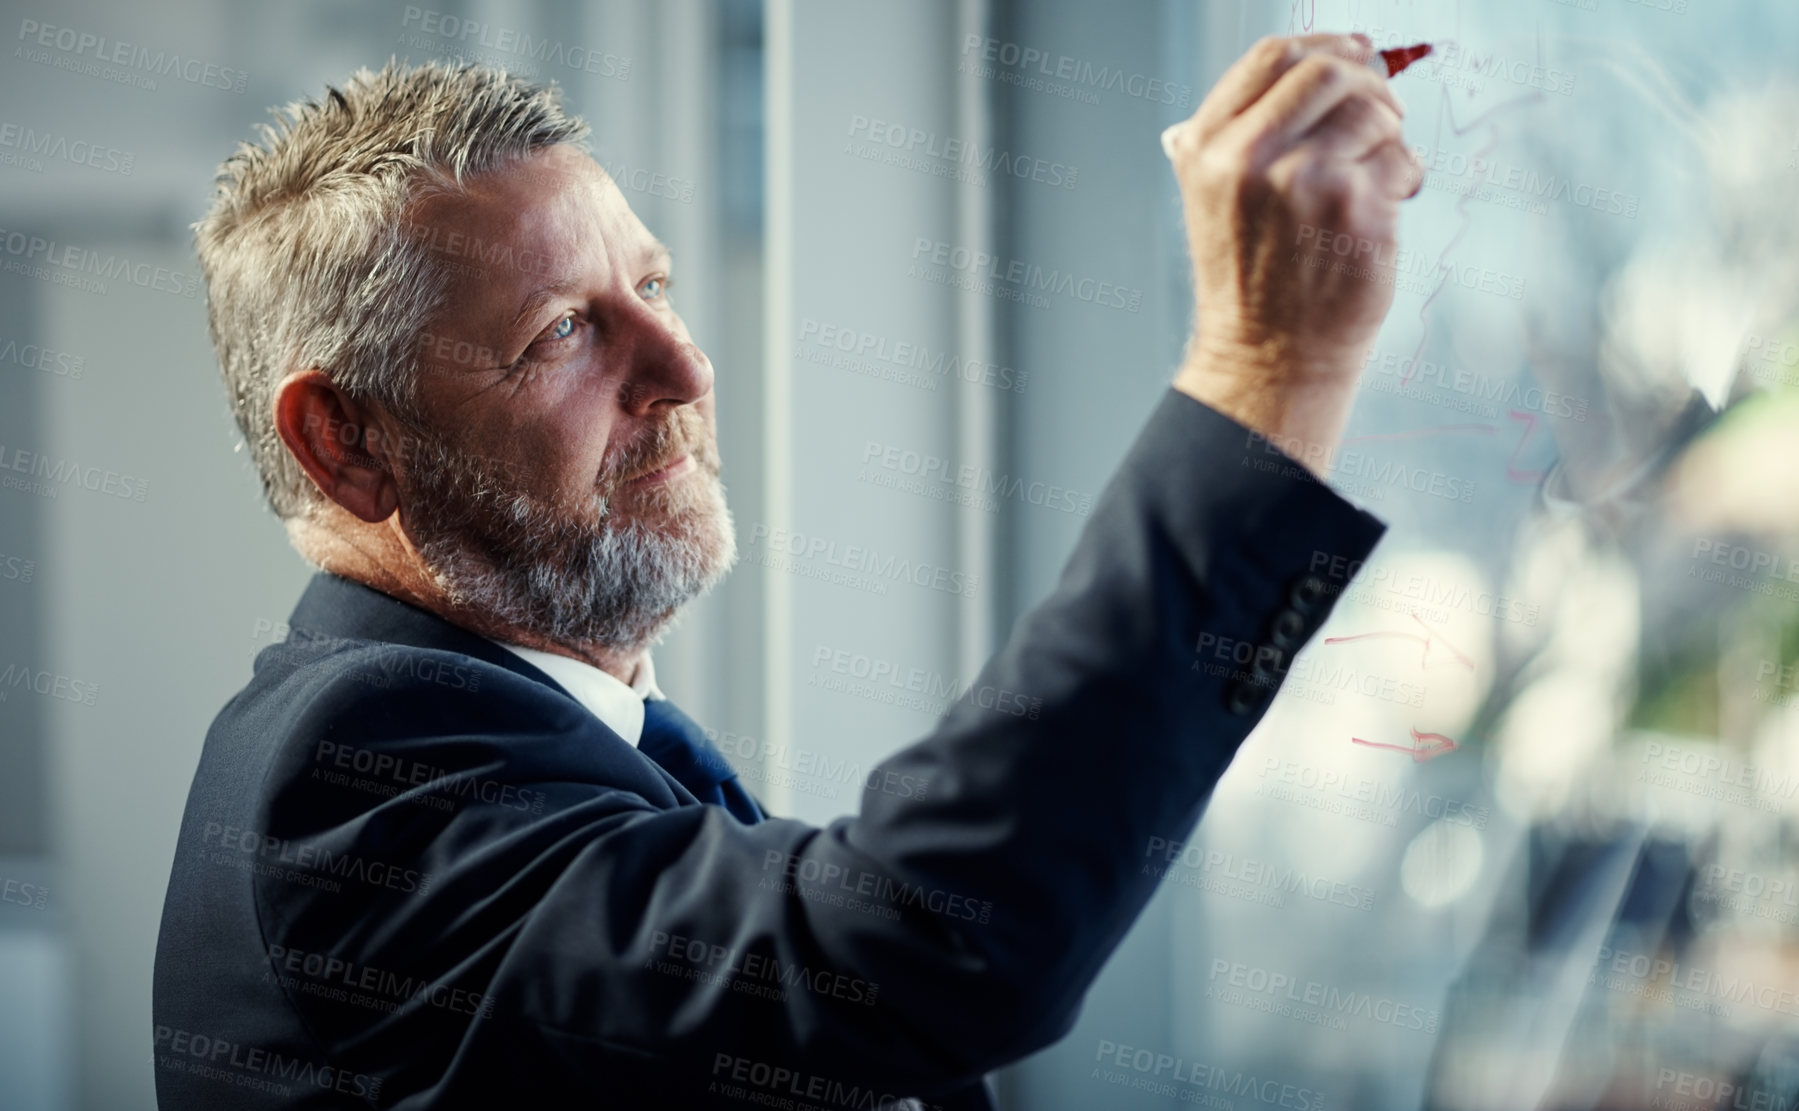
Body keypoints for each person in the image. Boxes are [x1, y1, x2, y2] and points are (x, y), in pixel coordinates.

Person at [154, 31, 1419, 1110]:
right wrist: (1264, 374)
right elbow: (907, 943)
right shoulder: (346, 784)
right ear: (346, 438)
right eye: (562, 331)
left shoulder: (551, 736)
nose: (683, 370)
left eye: (651, 284)